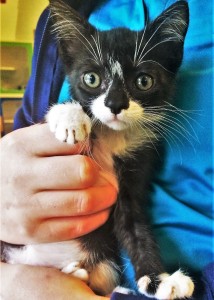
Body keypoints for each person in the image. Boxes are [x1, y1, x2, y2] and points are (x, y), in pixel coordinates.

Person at [0, 1, 213, 299]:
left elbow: (131, 216)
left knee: (111, 259)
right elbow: (23, 145)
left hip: (95, 277)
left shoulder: (141, 142)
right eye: (93, 79)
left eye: (142, 81)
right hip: (19, 261)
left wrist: (151, 275)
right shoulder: (60, 19)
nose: (115, 104)